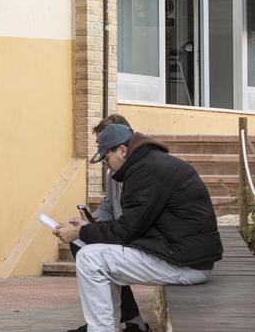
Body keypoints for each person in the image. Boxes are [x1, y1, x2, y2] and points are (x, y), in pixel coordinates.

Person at [54, 124, 223, 332]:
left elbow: (127, 231)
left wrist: (81, 231)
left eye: (107, 159)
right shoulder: (150, 163)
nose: (107, 167)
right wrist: (88, 230)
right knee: (93, 252)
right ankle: (110, 326)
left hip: (186, 264)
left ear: (122, 151)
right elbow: (134, 225)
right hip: (184, 256)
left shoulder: (146, 171)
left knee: (90, 258)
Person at [66, 115, 149, 332]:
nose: (103, 152)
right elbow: (109, 205)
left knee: (94, 254)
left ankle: (122, 322)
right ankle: (113, 321)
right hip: (122, 231)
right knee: (81, 246)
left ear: (122, 145)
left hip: (139, 237)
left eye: (106, 146)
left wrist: (89, 230)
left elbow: (135, 221)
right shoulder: (115, 172)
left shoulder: (142, 171)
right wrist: (94, 218)